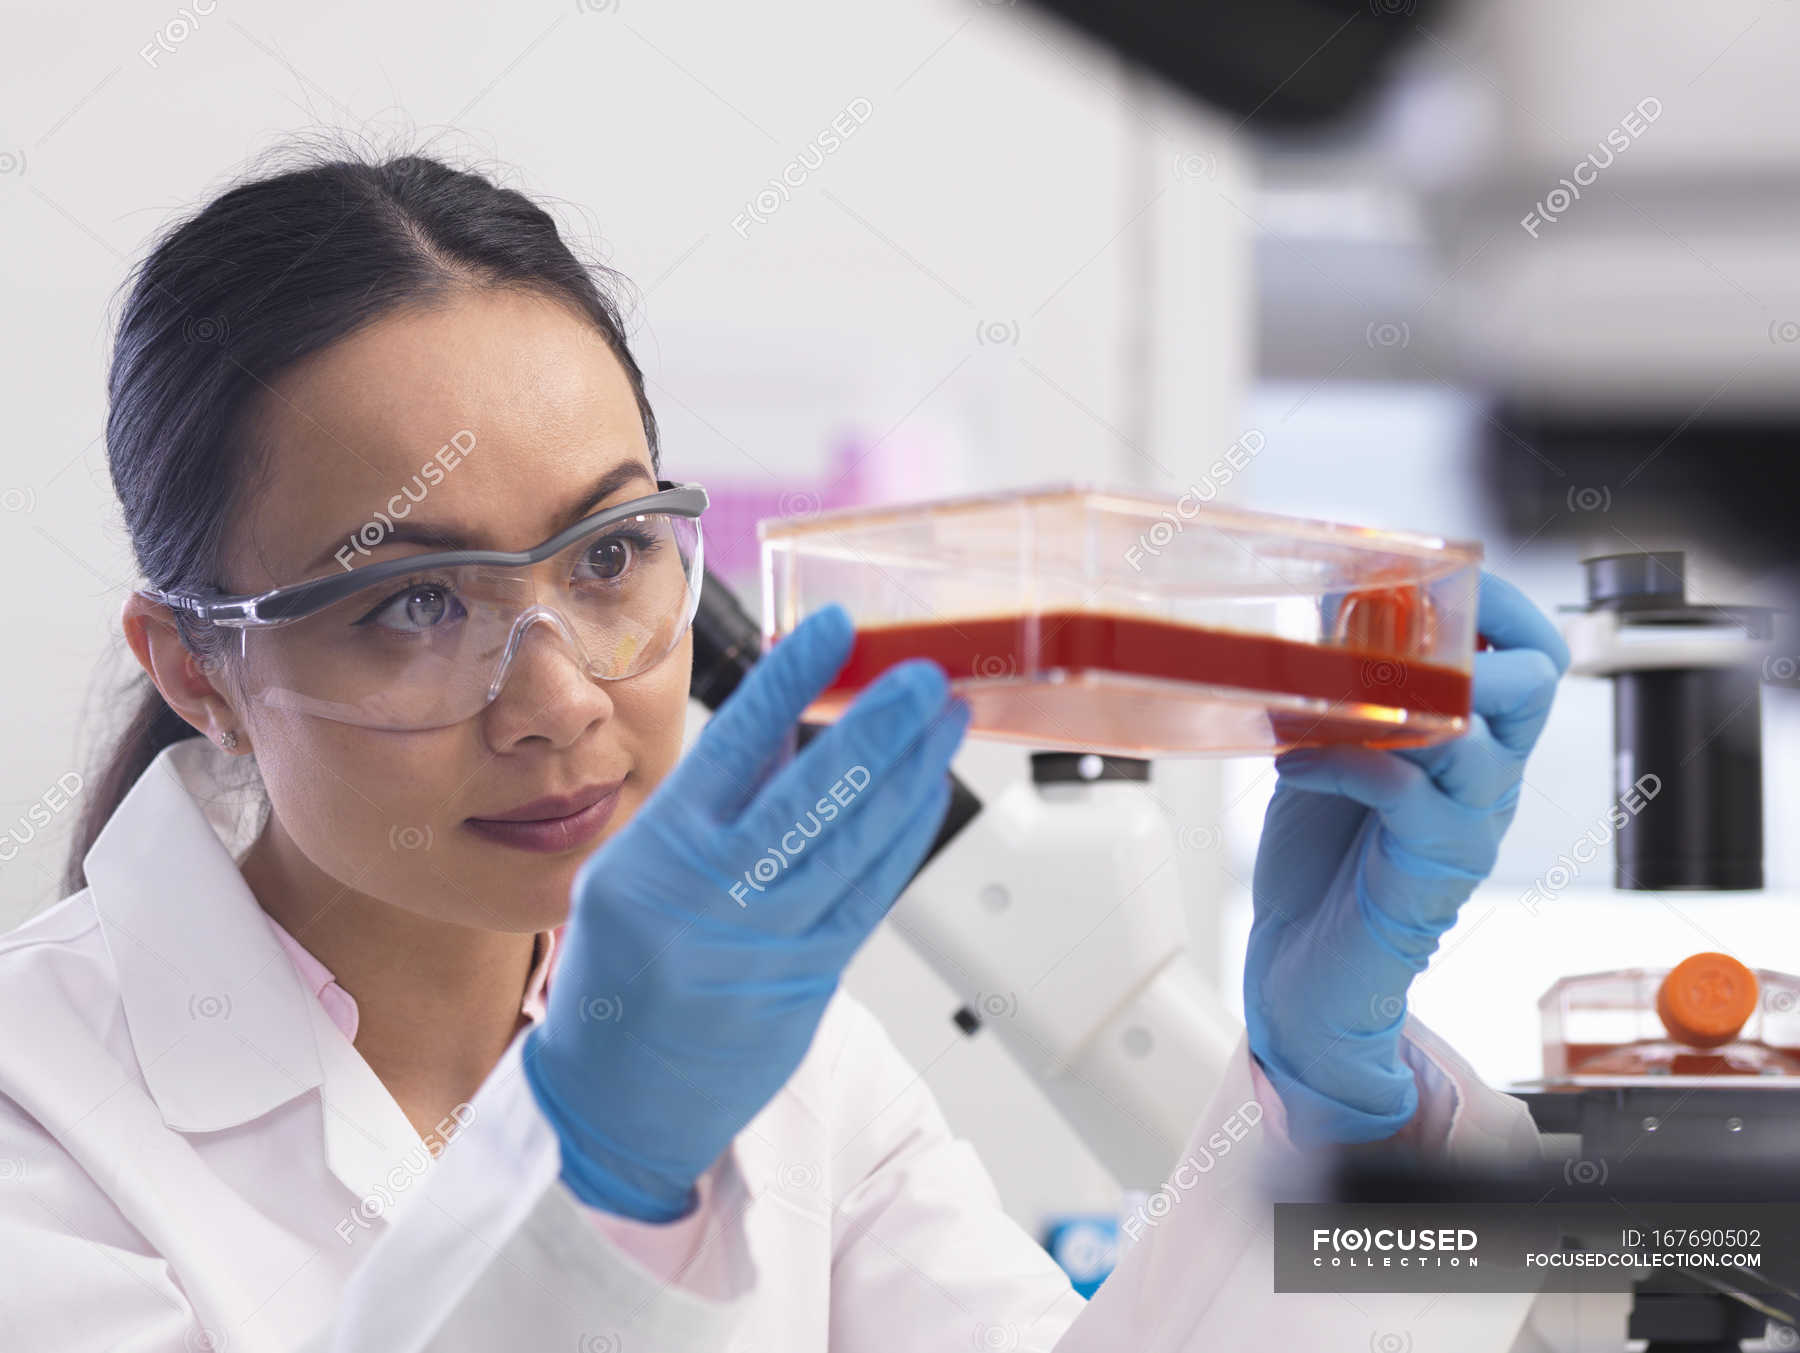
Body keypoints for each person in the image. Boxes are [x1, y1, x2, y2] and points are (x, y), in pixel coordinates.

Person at [0, 141, 1567, 1351]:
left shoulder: (797, 1065)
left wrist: (1336, 1106)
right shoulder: (42, 1120)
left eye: (609, 554)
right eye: (413, 602)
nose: (555, 697)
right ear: (197, 668)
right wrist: (595, 1178)